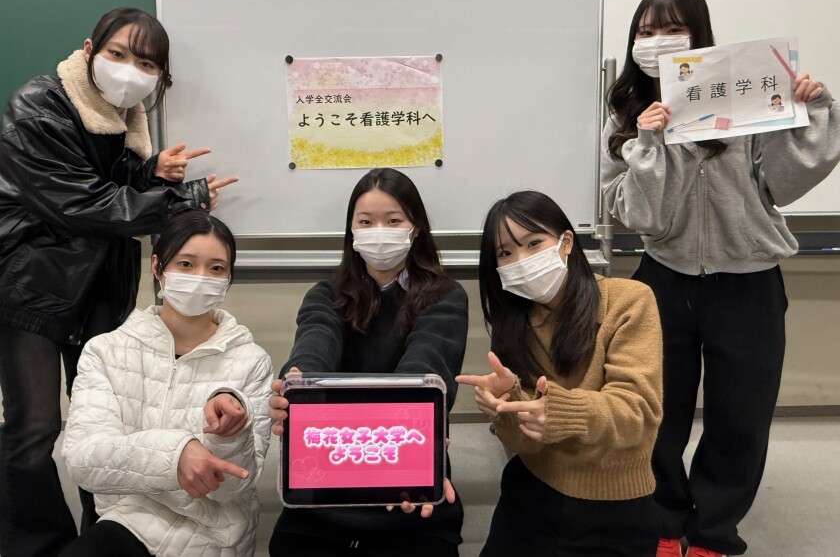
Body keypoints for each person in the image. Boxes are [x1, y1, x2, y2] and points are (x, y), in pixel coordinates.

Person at [601, 0, 840, 557]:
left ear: (699, 35)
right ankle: (663, 524)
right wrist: (651, 142)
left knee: (741, 417)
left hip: (749, 279)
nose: (657, 41)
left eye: (672, 29)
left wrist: (807, 112)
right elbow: (637, 214)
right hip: (664, 277)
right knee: (657, 413)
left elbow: (783, 183)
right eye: (645, 31)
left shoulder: (745, 91)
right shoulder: (623, 113)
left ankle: (713, 531)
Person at [0, 7, 237, 556]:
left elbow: (102, 180)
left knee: (104, 427)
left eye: (147, 64)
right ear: (90, 50)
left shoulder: (123, 116)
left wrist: (148, 172)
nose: (131, 70)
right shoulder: (38, 105)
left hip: (98, 289)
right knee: (33, 431)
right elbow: (81, 202)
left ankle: (103, 540)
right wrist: (181, 199)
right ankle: (35, 546)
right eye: (118, 54)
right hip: (32, 288)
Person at [267, 167, 468, 557]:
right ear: (352, 231)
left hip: (409, 482)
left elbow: (424, 371)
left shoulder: (445, 295)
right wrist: (295, 384)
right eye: (366, 221)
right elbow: (314, 346)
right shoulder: (326, 294)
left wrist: (407, 432)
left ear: (416, 229)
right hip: (322, 495)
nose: (379, 231)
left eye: (393, 221)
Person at [456, 190, 663, 557]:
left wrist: (558, 412)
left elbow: (638, 413)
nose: (521, 260)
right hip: (532, 489)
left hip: (616, 505)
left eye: (533, 243)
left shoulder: (629, 300)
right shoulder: (513, 322)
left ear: (566, 242)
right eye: (505, 253)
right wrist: (507, 406)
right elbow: (524, 444)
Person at [59, 210, 273, 557]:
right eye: (186, 264)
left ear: (228, 278)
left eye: (216, 268)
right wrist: (175, 456)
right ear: (157, 267)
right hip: (128, 522)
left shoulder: (252, 361)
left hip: (214, 537)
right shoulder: (106, 351)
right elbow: (84, 460)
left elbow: (233, 486)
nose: (200, 278)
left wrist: (229, 436)